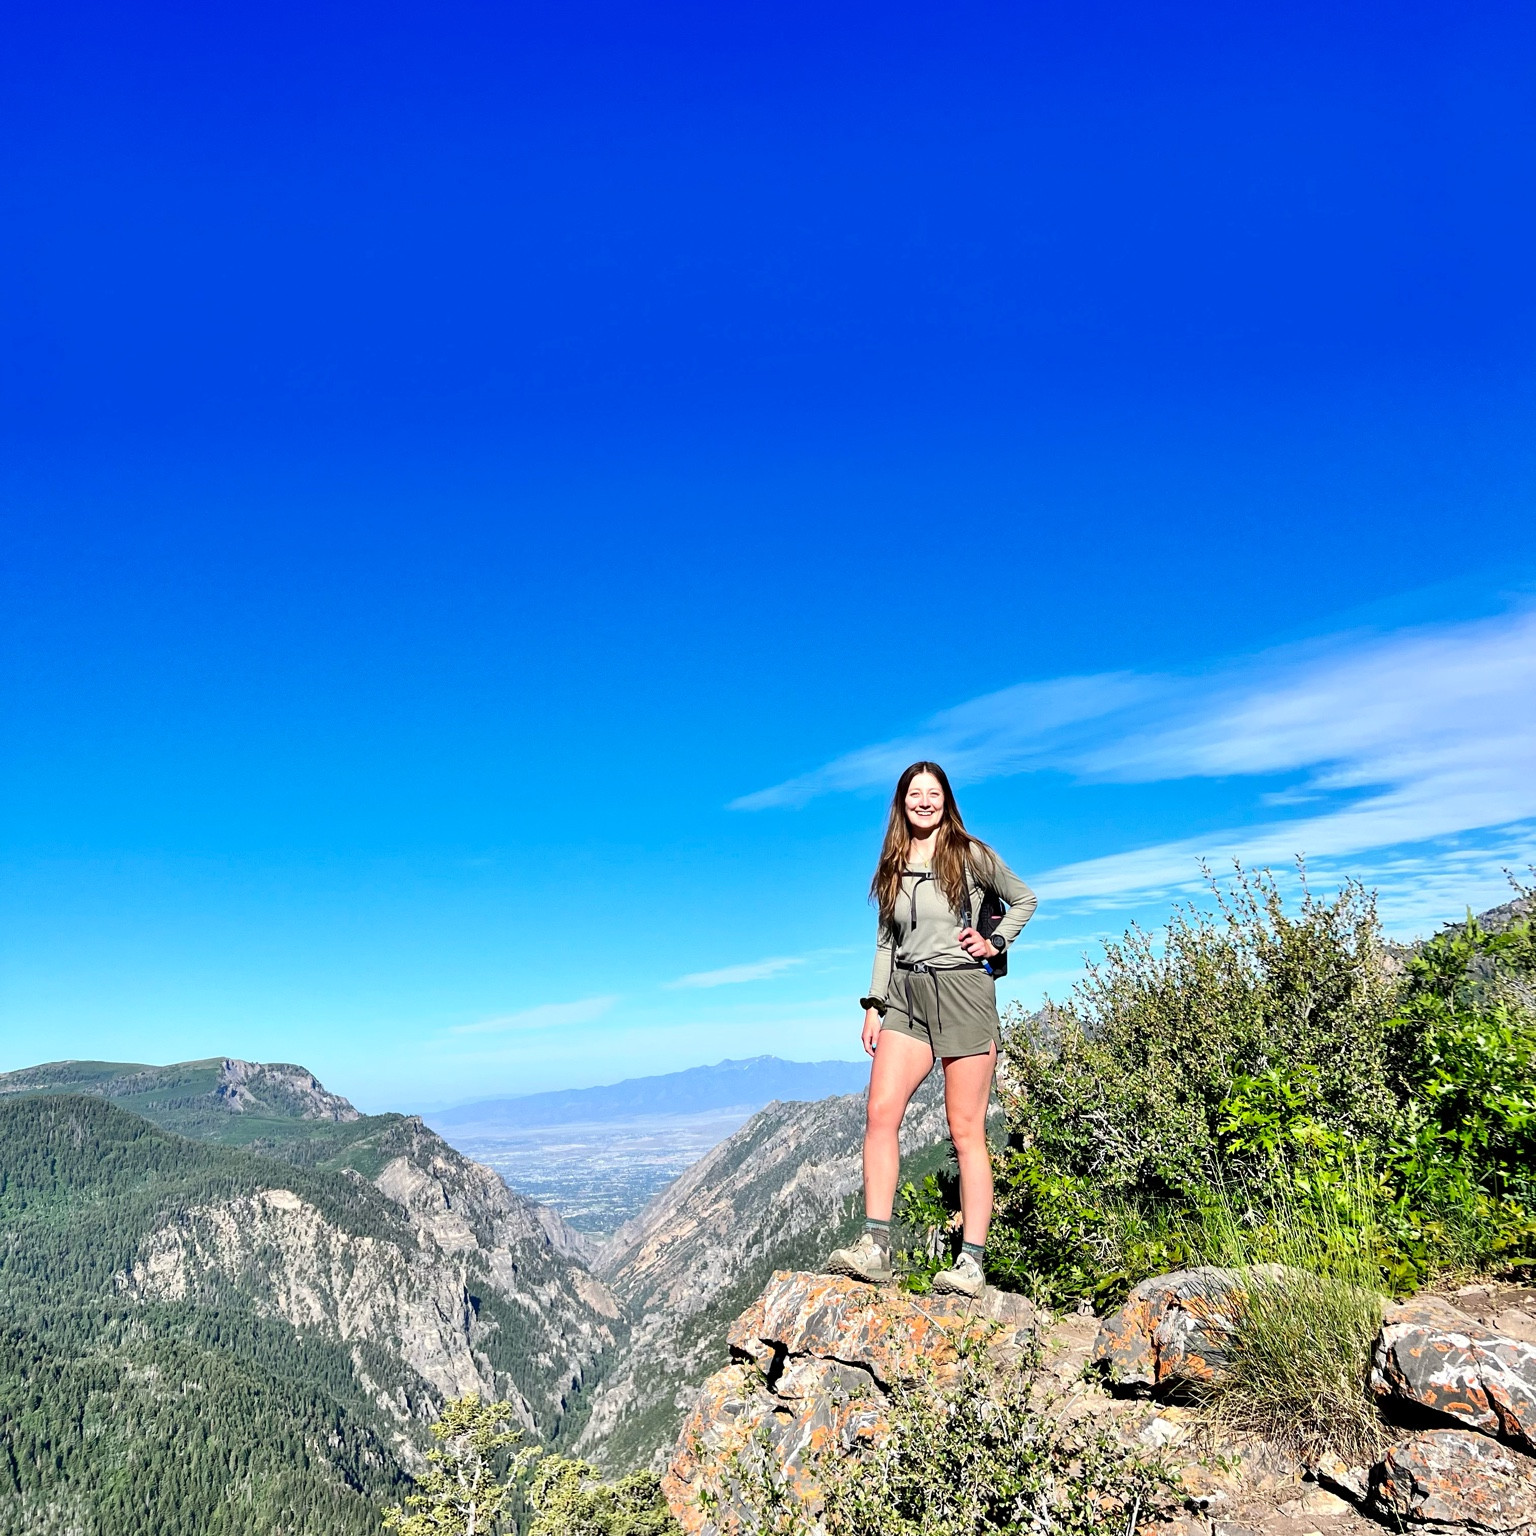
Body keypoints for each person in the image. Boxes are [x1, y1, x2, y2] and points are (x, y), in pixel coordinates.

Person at [824, 760, 1037, 1297]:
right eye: (914, 794)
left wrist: (994, 942)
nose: (924, 801)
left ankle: (971, 1263)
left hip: (963, 992)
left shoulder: (970, 853)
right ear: (902, 803)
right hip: (906, 998)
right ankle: (875, 1246)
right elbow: (885, 943)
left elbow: (1025, 899)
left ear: (946, 800)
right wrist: (873, 1005)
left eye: (933, 793)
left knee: (965, 1130)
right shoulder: (892, 865)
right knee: (880, 1113)